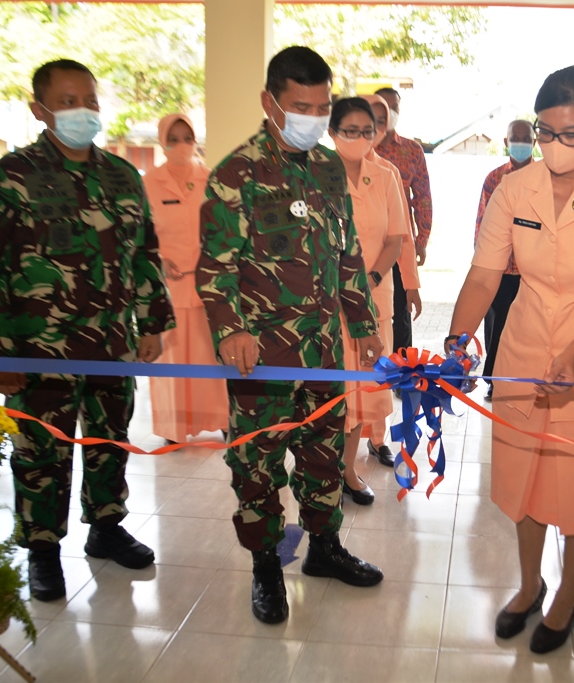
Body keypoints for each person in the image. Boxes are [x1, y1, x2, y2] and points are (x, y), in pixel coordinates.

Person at [448, 66, 574, 654]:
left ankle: (566, 595)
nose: (558, 146)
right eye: (547, 132)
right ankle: (529, 583)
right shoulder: (516, 189)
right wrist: (460, 337)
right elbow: (486, 274)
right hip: (525, 351)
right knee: (526, 478)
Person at [0, 59, 174, 602]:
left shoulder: (121, 176)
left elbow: (146, 253)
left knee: (109, 442)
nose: (83, 111)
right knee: (41, 452)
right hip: (38, 349)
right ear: (40, 110)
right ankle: (43, 550)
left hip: (110, 345)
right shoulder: (9, 177)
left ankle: (106, 527)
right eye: (67, 101)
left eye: (90, 100)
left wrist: (152, 321)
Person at [195, 46, 385, 626]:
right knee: (257, 465)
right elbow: (215, 267)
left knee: (324, 456)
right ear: (270, 103)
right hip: (263, 360)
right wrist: (230, 331)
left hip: (325, 350)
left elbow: (347, 251)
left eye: (322, 107)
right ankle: (265, 567)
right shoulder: (237, 173)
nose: (313, 118)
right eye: (301, 107)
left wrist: (363, 323)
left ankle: (324, 549)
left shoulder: (328, 166)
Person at [328, 97, 406, 504]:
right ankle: (324, 471)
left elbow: (395, 239)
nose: (360, 138)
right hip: (326, 303)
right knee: (334, 387)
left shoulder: (385, 175)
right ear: (331, 131)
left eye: (367, 130)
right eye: (349, 130)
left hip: (374, 300)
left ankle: (348, 471)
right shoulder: (316, 175)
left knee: (363, 387)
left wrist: (369, 278)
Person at [144, 113, 229, 445]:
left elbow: (224, 230)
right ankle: (173, 428)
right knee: (173, 361)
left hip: (207, 284)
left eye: (187, 138)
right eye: (173, 138)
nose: (181, 145)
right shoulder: (148, 182)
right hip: (167, 287)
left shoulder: (211, 179)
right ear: (162, 142)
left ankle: (221, 418)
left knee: (210, 356)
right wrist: (160, 259)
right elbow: (140, 235)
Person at [361, 93, 422, 468]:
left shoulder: (389, 172)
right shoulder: (325, 170)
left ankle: (377, 438)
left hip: (379, 289)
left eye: (380, 123)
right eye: (367, 121)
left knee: (377, 368)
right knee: (341, 374)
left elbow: (402, 236)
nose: (373, 130)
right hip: (333, 296)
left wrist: (411, 283)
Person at [474, 119, 536, 402]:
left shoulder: (548, 177)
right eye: (516, 138)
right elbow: (482, 224)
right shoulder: (494, 178)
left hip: (534, 272)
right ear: (506, 142)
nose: (521, 142)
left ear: (535, 142)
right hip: (501, 271)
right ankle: (495, 381)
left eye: (527, 137)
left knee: (528, 329)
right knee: (497, 328)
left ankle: (526, 381)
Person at [375, 86, 432, 360]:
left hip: (399, 243)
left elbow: (422, 198)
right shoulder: (354, 152)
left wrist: (421, 240)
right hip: (361, 247)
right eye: (382, 108)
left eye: (394, 108)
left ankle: (402, 372)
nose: (388, 113)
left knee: (401, 308)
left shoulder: (411, 150)